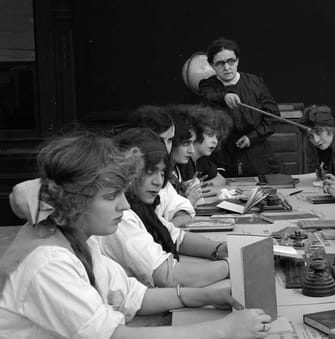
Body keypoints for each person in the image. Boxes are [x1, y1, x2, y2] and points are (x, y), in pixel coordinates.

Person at [0, 133, 271, 339]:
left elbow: (131, 296)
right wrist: (224, 329)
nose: (126, 205)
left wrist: (207, 296)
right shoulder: (49, 262)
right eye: (110, 196)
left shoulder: (77, 235)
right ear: (75, 201)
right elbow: (116, 336)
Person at [97, 128, 229, 288]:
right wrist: (232, 264)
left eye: (161, 173)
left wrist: (219, 249)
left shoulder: (140, 206)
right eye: (150, 171)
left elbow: (176, 236)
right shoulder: (121, 217)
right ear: (129, 171)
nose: (158, 182)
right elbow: (167, 276)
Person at [198, 37, 280, 176]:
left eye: (231, 61)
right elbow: (209, 94)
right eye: (220, 63)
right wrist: (224, 97)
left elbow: (272, 117)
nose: (227, 67)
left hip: (257, 157)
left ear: (238, 60)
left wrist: (251, 137)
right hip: (222, 158)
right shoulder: (207, 85)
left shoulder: (255, 83)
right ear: (212, 65)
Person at [128, 105, 192, 228]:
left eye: (170, 140)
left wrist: (164, 230)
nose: (166, 147)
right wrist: (163, 231)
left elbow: (183, 210)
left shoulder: (161, 175)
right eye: (160, 140)